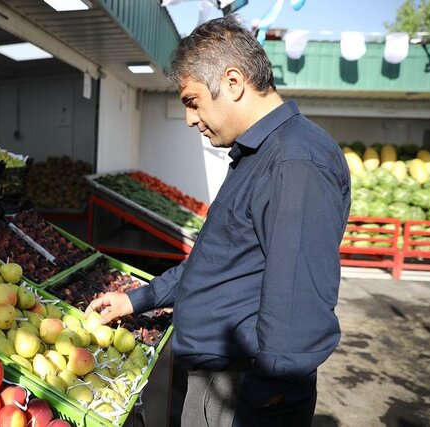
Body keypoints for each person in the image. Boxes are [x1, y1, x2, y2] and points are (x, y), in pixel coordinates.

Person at [86, 15, 351, 427]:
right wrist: (136, 299)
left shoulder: (296, 162)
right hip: (220, 384)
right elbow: (217, 259)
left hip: (243, 393)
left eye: (192, 102)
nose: (191, 118)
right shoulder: (257, 155)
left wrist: (264, 405)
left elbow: (298, 311)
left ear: (232, 82)